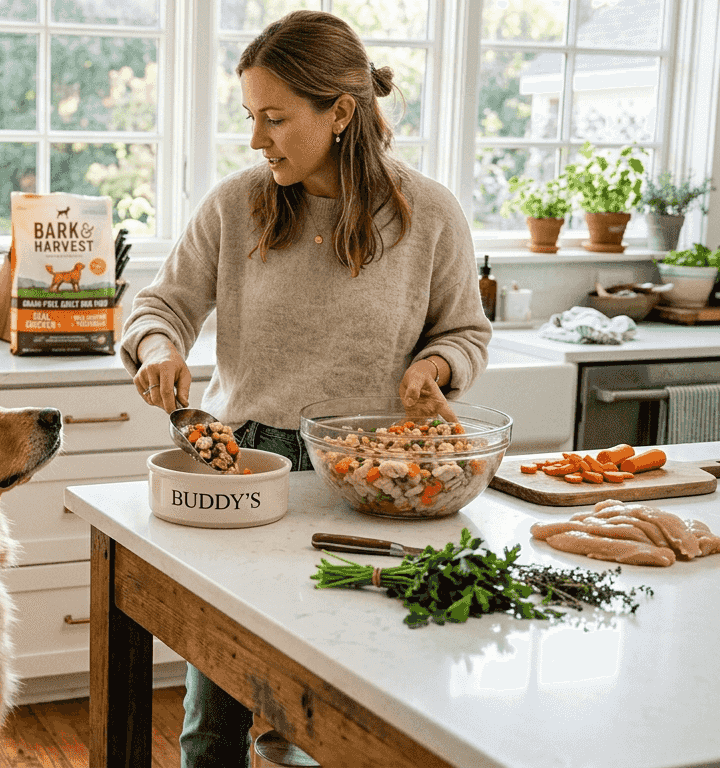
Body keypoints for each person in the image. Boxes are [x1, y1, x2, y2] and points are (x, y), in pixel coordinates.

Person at [117, 9, 491, 766]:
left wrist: (437, 367)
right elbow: (160, 307)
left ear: (342, 112)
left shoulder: (429, 216)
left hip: (373, 480)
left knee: (348, 709)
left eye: (276, 119)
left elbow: (465, 333)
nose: (257, 139)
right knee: (212, 717)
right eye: (252, 118)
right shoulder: (236, 204)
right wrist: (159, 347)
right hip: (242, 472)